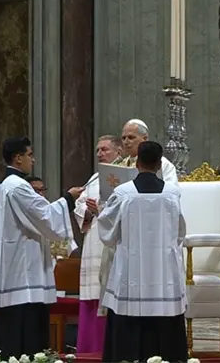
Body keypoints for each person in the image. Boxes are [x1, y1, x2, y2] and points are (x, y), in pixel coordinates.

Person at [0, 136, 84, 358]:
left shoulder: (5, 185)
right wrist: (69, 199)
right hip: (23, 276)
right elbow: (45, 216)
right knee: (26, 338)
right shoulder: (18, 187)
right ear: (18, 158)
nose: (34, 160)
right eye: (30, 155)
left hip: (16, 269)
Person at [97, 141, 188, 363]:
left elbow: (107, 232)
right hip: (163, 275)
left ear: (136, 163)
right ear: (159, 165)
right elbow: (180, 232)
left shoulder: (123, 192)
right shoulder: (172, 193)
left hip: (130, 273)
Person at [73, 135, 123, 353]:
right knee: (92, 293)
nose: (100, 154)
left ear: (118, 152)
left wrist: (101, 210)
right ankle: (88, 347)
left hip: (113, 242)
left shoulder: (125, 176)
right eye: (98, 150)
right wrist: (88, 210)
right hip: (94, 238)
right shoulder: (94, 178)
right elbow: (79, 204)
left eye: (104, 149)